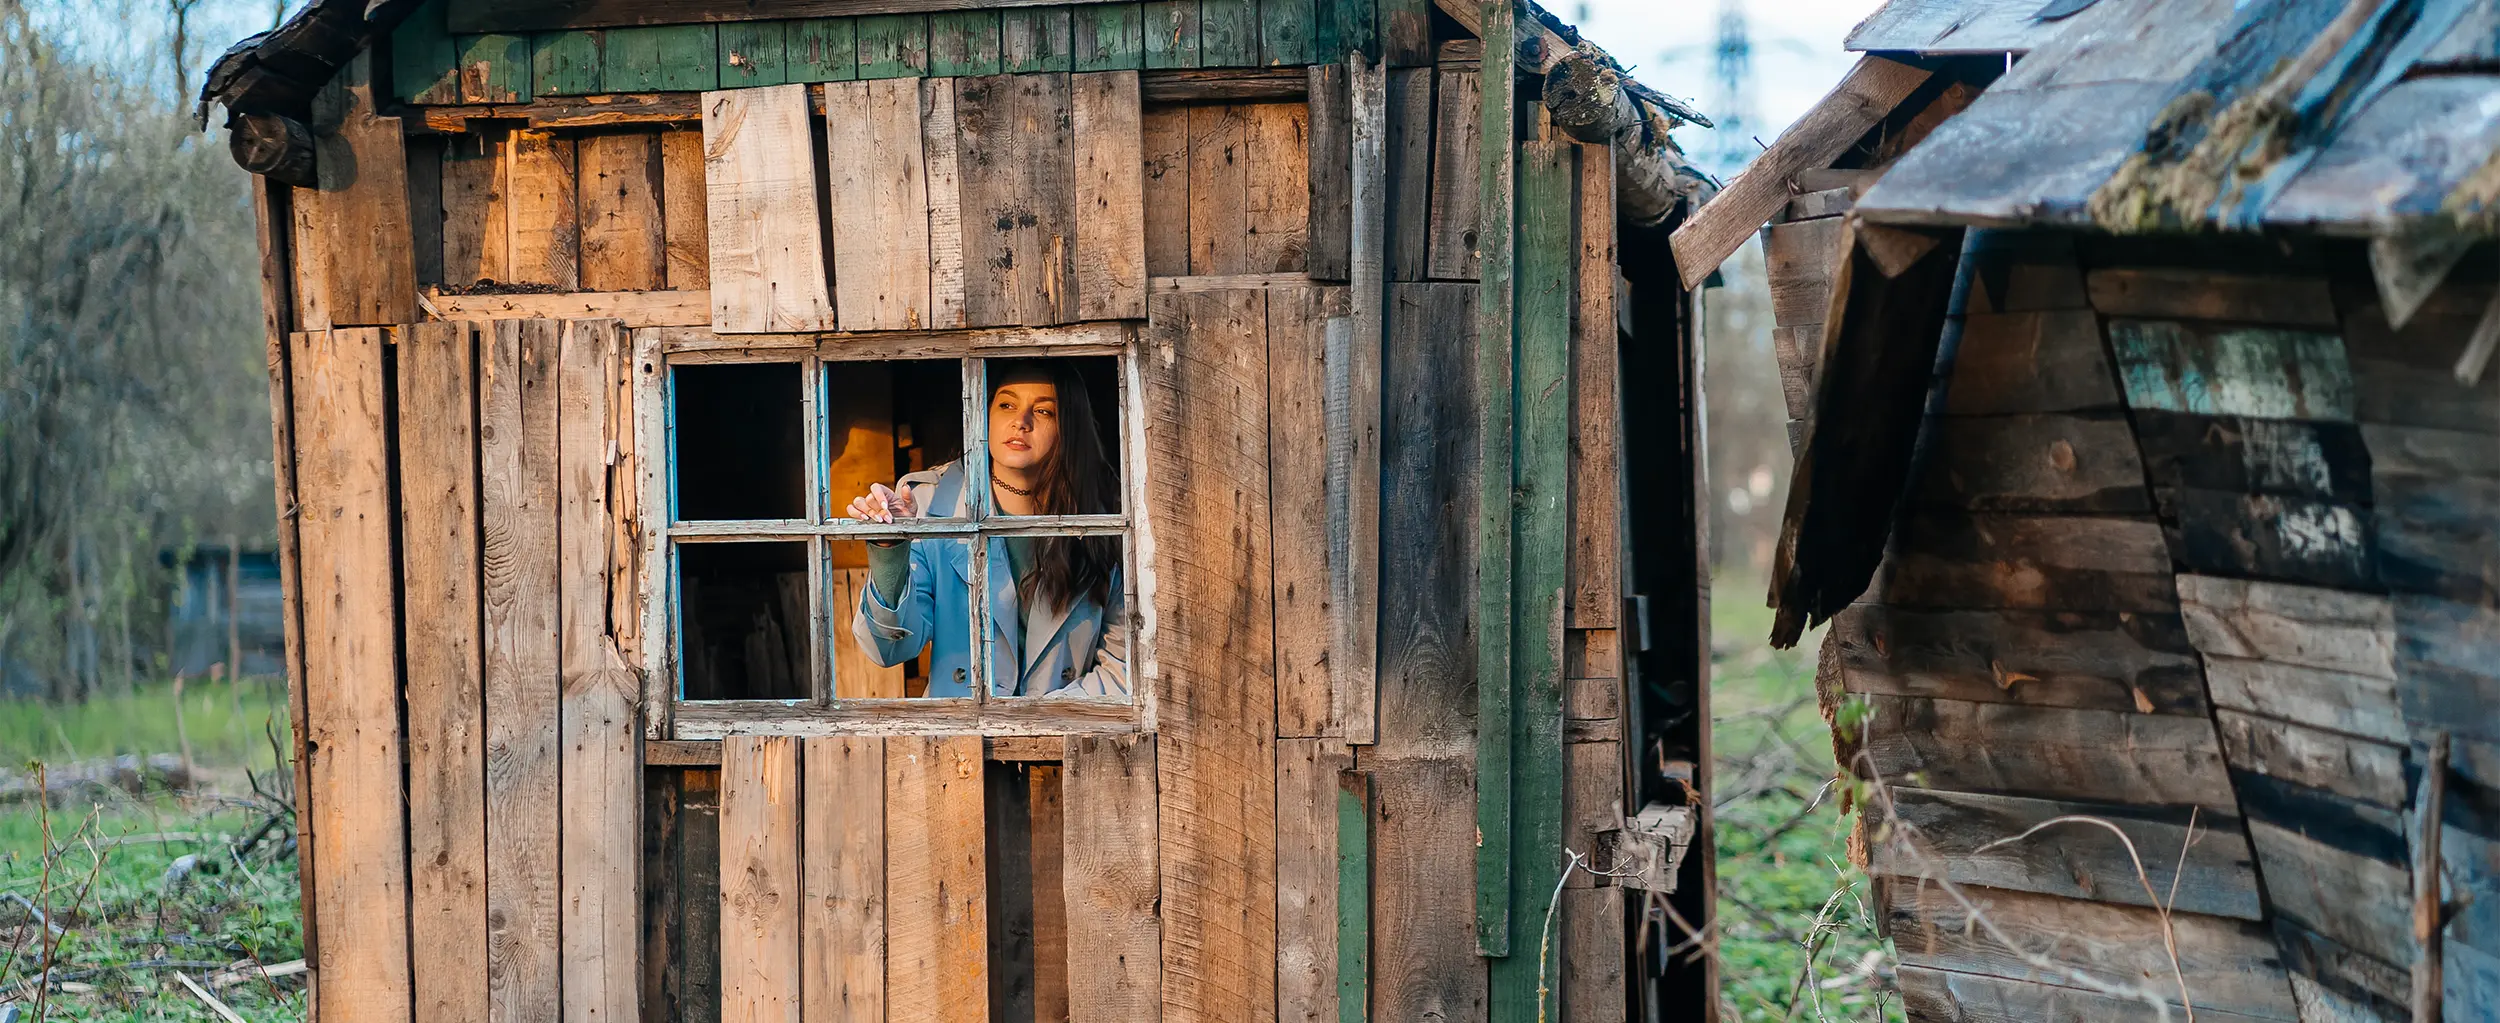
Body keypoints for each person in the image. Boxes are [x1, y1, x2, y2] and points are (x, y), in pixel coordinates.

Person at [845, 361, 1128, 698]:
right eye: (1006, 404)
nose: (1020, 422)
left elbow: (1125, 668)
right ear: (985, 412)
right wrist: (889, 551)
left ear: (1069, 426)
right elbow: (888, 649)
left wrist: (1040, 721)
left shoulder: (1105, 514)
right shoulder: (930, 502)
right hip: (960, 741)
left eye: (1044, 411)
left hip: (1071, 738)